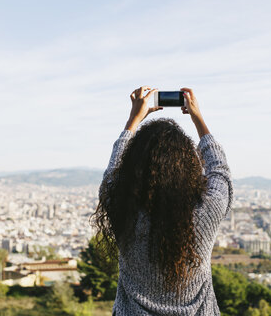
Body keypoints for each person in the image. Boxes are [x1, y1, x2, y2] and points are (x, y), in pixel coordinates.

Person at [94, 86, 233, 315]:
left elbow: (113, 173)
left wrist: (133, 120)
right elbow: (219, 169)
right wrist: (198, 117)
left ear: (134, 167)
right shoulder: (207, 210)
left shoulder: (123, 209)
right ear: (189, 165)